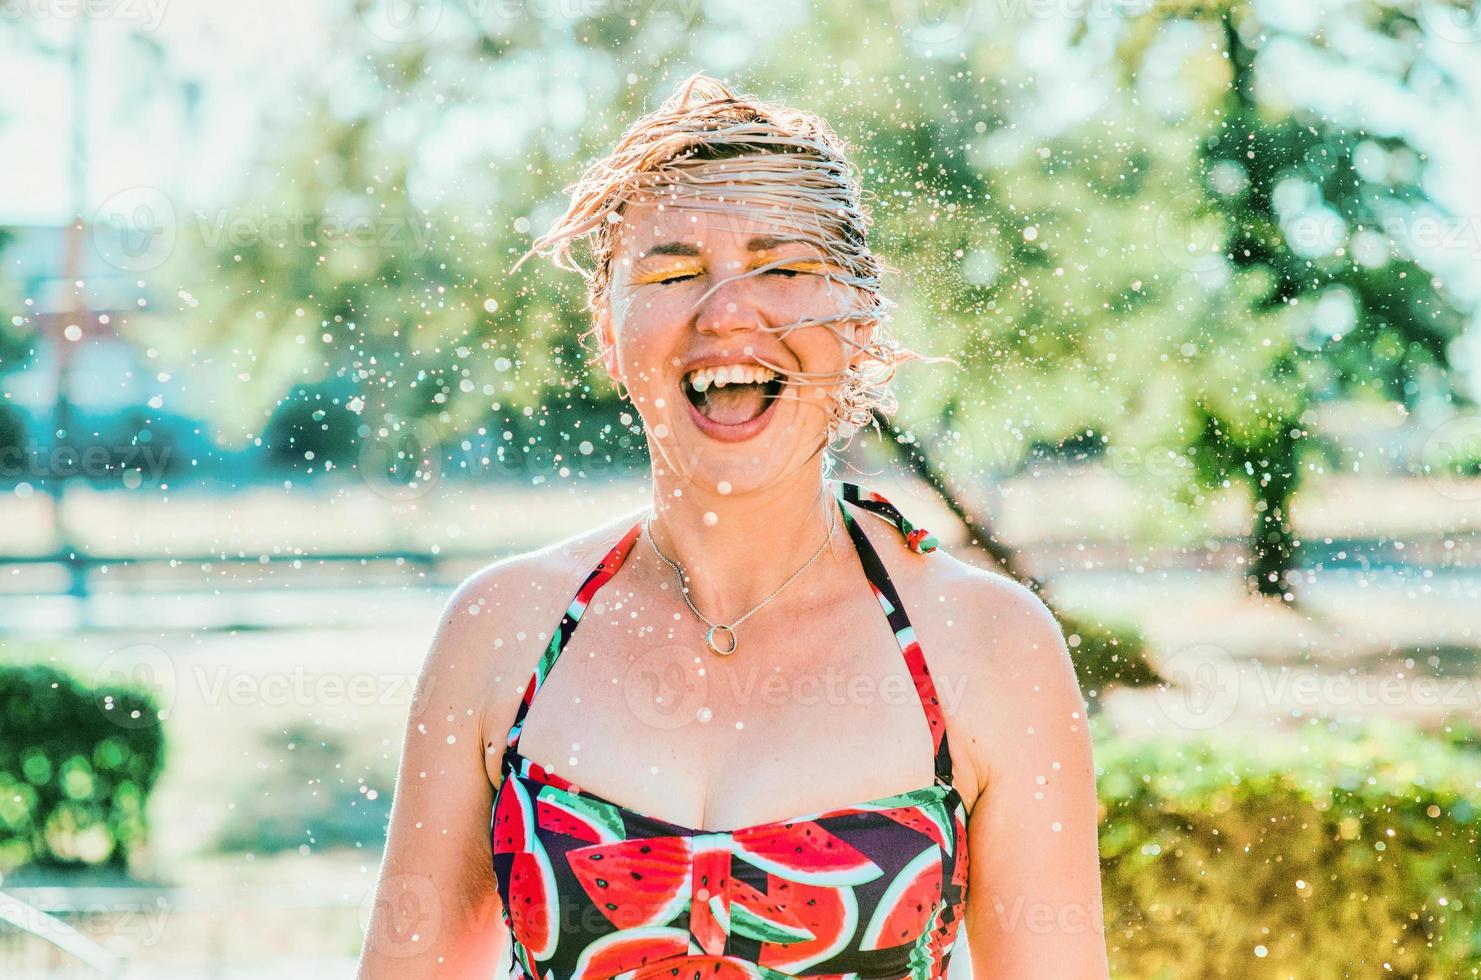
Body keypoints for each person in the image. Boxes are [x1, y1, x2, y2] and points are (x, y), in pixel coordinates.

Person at [357, 72, 1109, 980]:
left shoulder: (988, 647)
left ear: (859, 318)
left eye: (783, 267)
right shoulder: (500, 631)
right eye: (673, 273)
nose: (726, 314)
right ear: (608, 329)